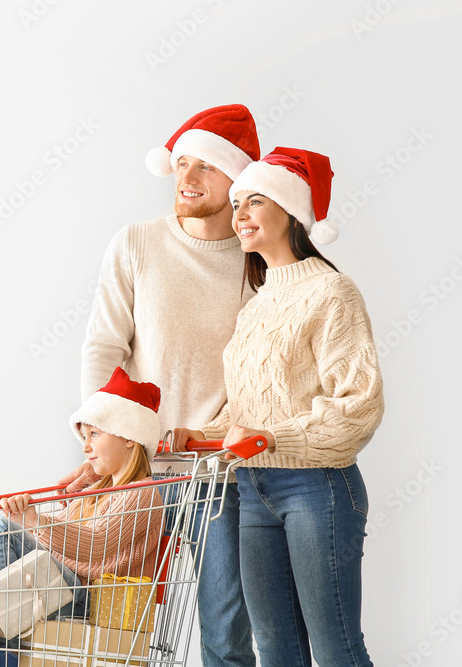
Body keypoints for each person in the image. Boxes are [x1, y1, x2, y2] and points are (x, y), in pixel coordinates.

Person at [174, 147, 383, 666]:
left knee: (336, 648)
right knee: (277, 650)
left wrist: (274, 438)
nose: (239, 214)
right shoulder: (257, 304)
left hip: (316, 487)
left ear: (291, 213)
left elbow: (358, 406)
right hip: (252, 486)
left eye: (255, 201)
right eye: (237, 202)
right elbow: (247, 410)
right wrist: (196, 434)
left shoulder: (332, 292)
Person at [67, 104, 259, 666]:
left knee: (223, 636)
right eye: (181, 164)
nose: (188, 179)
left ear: (239, 178)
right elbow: (104, 347)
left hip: (219, 477)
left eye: (207, 167)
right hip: (140, 470)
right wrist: (101, 440)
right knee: (114, 630)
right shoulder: (136, 243)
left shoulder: (260, 262)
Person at [0, 369, 164, 640]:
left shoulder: (143, 494)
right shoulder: (93, 491)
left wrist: (34, 521)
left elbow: (97, 545)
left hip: (94, 600)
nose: (85, 447)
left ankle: (0, 646)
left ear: (129, 437)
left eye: (94, 434)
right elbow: (49, 543)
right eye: (85, 437)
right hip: (60, 588)